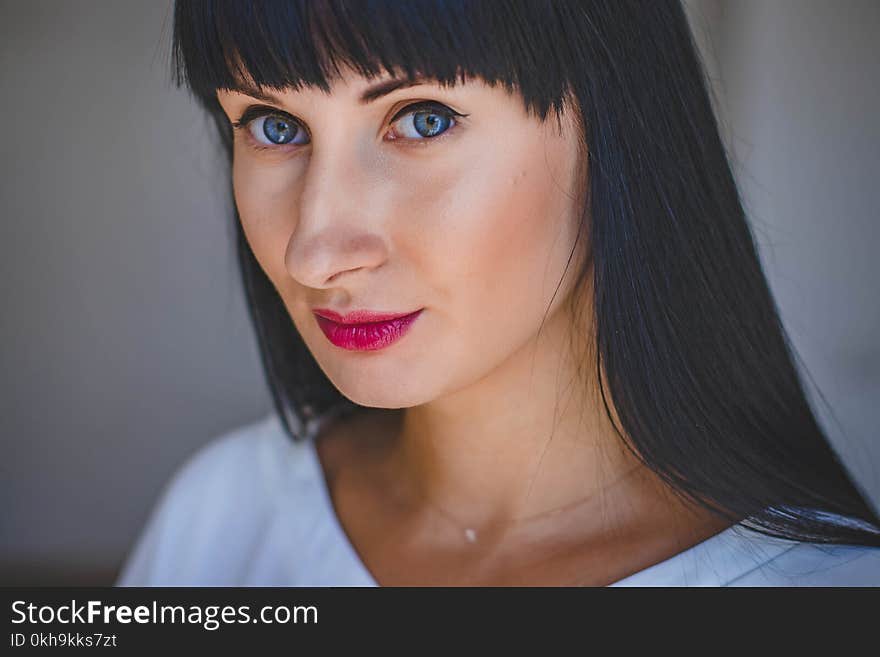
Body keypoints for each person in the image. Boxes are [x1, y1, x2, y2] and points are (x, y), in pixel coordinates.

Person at [117, 0, 879, 586]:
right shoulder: (218, 520)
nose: (316, 250)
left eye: (422, 118)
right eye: (274, 126)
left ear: (614, 124)